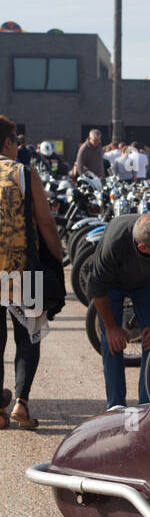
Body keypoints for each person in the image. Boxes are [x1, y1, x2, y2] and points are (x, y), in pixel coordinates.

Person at [0, 114, 65, 429]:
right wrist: (57, 254)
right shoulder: (25, 173)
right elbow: (46, 223)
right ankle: (20, 404)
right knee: (28, 337)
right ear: (9, 143)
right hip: (23, 267)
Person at [87, 212, 150, 409]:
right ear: (143, 248)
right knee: (111, 341)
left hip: (148, 284)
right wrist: (111, 327)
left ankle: (146, 404)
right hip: (112, 286)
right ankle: (115, 406)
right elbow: (97, 289)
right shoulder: (115, 242)